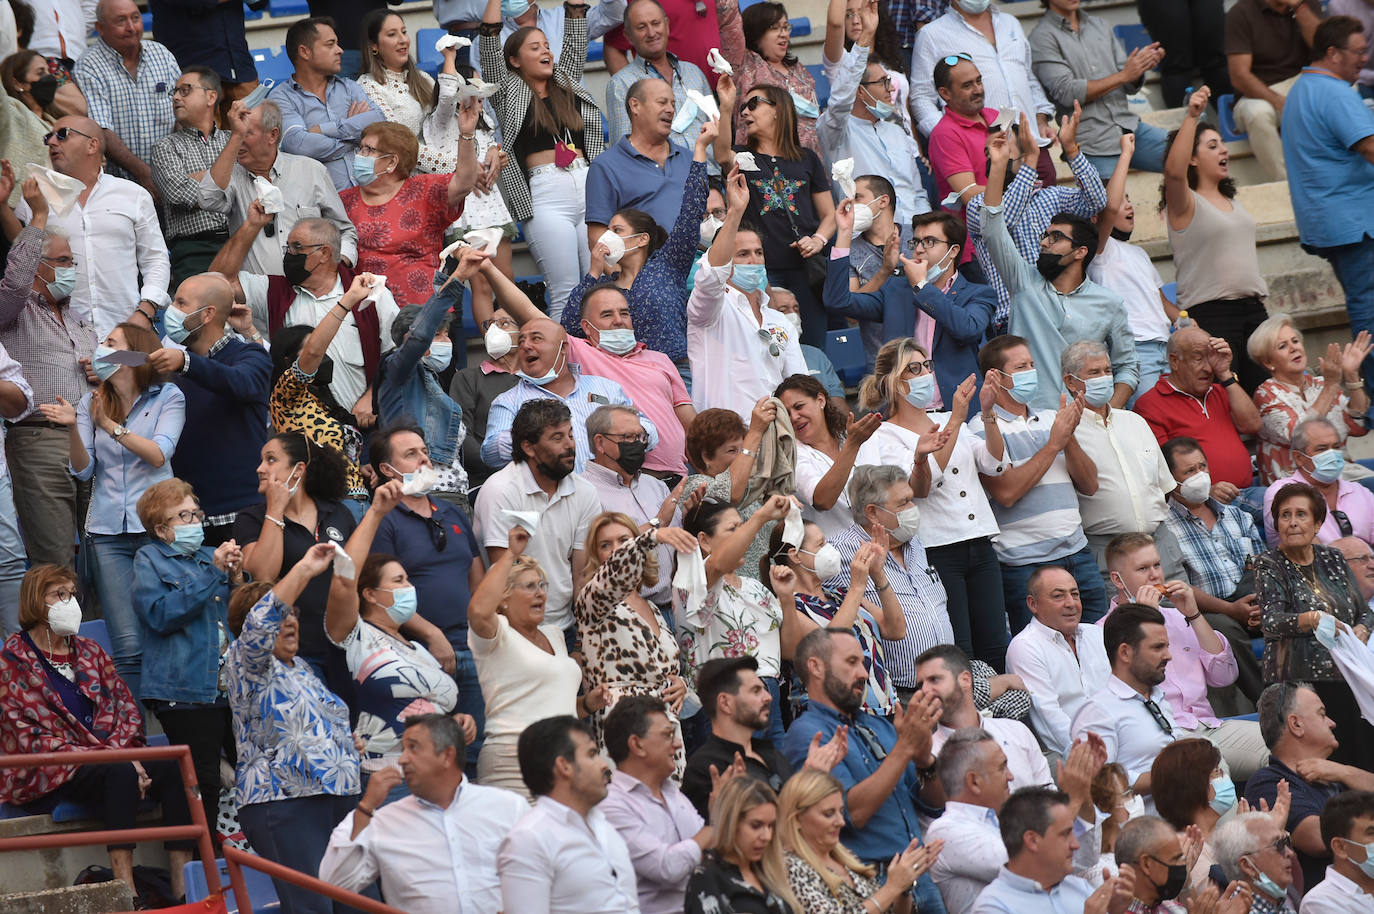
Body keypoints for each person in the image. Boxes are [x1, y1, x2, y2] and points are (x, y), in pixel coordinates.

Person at [0, 564, 195, 903]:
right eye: (59, 595)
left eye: (72, 594)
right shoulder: (13, 660)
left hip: (111, 760)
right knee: (118, 771)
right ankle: (126, 890)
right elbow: (27, 735)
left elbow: (125, 708)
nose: (69, 602)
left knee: (174, 767)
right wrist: (117, 759)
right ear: (36, 601)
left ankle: (183, 888)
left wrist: (127, 754)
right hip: (50, 769)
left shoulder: (90, 651)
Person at [41, 321, 183, 698]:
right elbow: (83, 469)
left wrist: (110, 426)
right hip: (108, 534)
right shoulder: (93, 401)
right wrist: (76, 426)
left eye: (111, 343)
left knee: (167, 628)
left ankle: (175, 724)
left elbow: (158, 455)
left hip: (159, 529)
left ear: (131, 355)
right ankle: (134, 740)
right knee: (127, 643)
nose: (102, 350)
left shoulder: (168, 396)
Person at [853, 341, 1008, 667]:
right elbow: (922, 486)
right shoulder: (883, 436)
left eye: (927, 365)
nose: (925, 373)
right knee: (959, 648)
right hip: (936, 548)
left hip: (979, 542)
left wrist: (989, 412)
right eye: (915, 368)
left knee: (995, 644)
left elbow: (994, 463)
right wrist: (956, 421)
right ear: (894, 382)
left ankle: (997, 717)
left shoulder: (950, 418)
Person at [226, 546, 362, 914]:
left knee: (361, 905)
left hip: (337, 800)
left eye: (294, 614)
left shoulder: (301, 667)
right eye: (281, 615)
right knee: (312, 907)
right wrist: (304, 568)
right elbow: (260, 624)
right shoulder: (245, 662)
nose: (290, 621)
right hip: (286, 803)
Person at [782, 627, 947, 914]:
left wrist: (924, 761)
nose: (863, 673)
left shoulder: (879, 725)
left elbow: (935, 805)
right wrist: (904, 749)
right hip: (868, 885)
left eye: (863, 663)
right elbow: (851, 814)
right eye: (851, 662)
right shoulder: (807, 733)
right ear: (816, 667)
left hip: (919, 878)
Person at [981, 131, 1138, 411]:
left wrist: (1108, 414)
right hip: (1035, 421)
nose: (1043, 242)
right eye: (1045, 235)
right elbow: (993, 230)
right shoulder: (1024, 282)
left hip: (1090, 424)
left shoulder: (1109, 303)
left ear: (1080, 252)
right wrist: (997, 167)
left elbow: (1127, 366)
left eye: (1055, 238)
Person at [325, 481, 472, 777]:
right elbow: (343, 579)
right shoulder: (355, 635)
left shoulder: (418, 649)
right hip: (389, 777)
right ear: (369, 593)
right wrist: (377, 512)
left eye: (407, 579)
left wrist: (458, 722)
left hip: (440, 776)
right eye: (398, 581)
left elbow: (427, 707)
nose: (409, 587)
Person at [318, 714, 528, 914]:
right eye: (403, 749)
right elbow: (335, 882)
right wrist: (365, 807)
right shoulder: (383, 820)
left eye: (413, 748)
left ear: (447, 755)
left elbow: (543, 870)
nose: (402, 760)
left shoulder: (507, 807)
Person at [132, 478, 242, 844]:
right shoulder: (149, 559)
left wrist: (238, 581)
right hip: (184, 692)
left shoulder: (209, 557)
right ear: (161, 529)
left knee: (254, 772)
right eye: (183, 516)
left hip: (231, 690)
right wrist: (214, 574)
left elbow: (244, 620)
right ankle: (207, 873)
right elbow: (160, 615)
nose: (195, 522)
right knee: (205, 781)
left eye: (196, 513)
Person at [1104, 533, 1267, 780]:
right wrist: (1142, 622)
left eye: (1157, 565)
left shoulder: (1179, 617)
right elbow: (1130, 690)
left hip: (1209, 725)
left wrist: (1193, 613)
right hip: (1163, 735)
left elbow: (1225, 676)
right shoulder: (1102, 632)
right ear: (1118, 579)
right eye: (1142, 568)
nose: (1154, 575)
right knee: (1214, 768)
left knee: (1284, 750)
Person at [210, 209, 398, 421]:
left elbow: (397, 354)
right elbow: (216, 282)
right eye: (288, 247)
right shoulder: (273, 290)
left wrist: (373, 395)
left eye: (296, 247)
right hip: (299, 434)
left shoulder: (369, 292)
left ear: (325, 253)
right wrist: (252, 225)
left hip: (360, 428)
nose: (288, 254)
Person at [480, 0, 604, 322]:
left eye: (547, 45)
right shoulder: (508, 90)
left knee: (598, 288)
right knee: (566, 290)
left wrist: (576, 6)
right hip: (547, 196)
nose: (545, 51)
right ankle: (563, 367)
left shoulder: (566, 82)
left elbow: (576, 41)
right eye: (534, 47)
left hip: (587, 186)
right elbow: (489, 45)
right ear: (515, 61)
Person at [972, 334, 1107, 630]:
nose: (1031, 372)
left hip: (1077, 554)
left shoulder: (1050, 418)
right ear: (996, 377)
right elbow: (1006, 492)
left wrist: (1067, 437)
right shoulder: (982, 428)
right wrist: (1052, 445)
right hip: (1025, 565)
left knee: (1099, 646)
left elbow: (1090, 485)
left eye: (1032, 364)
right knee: (1042, 657)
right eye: (1021, 367)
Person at [505, 276, 693, 480]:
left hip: (679, 476)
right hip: (632, 478)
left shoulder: (661, 359)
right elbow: (528, 313)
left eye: (624, 313)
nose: (618, 320)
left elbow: (689, 423)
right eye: (607, 314)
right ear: (586, 327)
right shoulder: (580, 352)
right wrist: (487, 268)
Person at [0, 173, 93, 569]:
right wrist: (37, 215)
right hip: (38, 439)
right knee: (55, 560)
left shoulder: (79, 319)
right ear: (39, 268)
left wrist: (107, 370)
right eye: (63, 261)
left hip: (89, 442)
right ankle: (55, 632)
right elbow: (16, 281)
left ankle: (95, 632)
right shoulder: (14, 311)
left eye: (73, 261)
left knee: (101, 553)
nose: (72, 268)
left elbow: (119, 363)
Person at [368, 424, 485, 742]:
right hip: (417, 655)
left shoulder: (453, 513)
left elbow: (478, 582)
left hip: (471, 651)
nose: (424, 460)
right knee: (432, 752)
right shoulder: (382, 521)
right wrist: (433, 635)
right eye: (411, 454)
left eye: (424, 452)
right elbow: (380, 596)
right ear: (387, 469)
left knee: (473, 751)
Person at [10, 115, 171, 340]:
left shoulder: (133, 194)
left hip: (127, 332)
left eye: (63, 134)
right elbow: (19, 261)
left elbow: (156, 259)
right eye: (49, 137)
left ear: (92, 144)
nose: (52, 142)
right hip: (61, 338)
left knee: (134, 372)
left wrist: (145, 312)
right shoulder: (36, 197)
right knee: (68, 377)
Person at [563, 135, 712, 378]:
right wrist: (593, 273)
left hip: (676, 372)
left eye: (617, 231)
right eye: (608, 230)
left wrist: (700, 150)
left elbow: (691, 211)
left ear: (642, 239)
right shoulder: (603, 287)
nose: (607, 237)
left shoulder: (667, 265)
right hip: (627, 376)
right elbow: (570, 327)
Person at [1282, 16, 1374, 395]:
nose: (1364, 60)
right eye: (1359, 51)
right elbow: (1370, 146)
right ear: (1333, 53)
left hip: (1334, 222)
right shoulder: (1335, 92)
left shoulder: (1302, 89)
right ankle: (1367, 399)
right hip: (1356, 221)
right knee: (1370, 311)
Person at [467, 525, 594, 796]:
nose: (540, 593)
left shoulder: (555, 634)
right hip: (513, 761)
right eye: (528, 586)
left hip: (564, 761)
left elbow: (553, 701)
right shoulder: (496, 634)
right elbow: (478, 610)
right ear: (502, 598)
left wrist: (589, 704)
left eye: (541, 585)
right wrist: (511, 553)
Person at [827, 206, 995, 409]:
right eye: (916, 242)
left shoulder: (978, 294)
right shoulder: (896, 289)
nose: (919, 249)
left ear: (954, 251)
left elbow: (967, 329)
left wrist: (922, 287)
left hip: (958, 413)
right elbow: (838, 300)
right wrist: (844, 234)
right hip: (905, 415)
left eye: (930, 242)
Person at [1256, 481, 1374, 771]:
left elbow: (1364, 612)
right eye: (1285, 515)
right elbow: (1271, 622)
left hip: (1346, 672)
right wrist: (1312, 618)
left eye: (1301, 514)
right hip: (1296, 680)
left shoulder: (1333, 558)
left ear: (1318, 523)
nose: (1292, 522)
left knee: (1362, 753)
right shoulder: (1269, 563)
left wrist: (1362, 629)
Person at [1160, 87, 1271, 394]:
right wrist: (1192, 116)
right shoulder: (1185, 203)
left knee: (1269, 400)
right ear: (1192, 159)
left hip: (1255, 311)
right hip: (1212, 317)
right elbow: (1172, 172)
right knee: (1227, 403)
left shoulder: (1232, 201)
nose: (1224, 150)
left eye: (1223, 143)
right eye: (1213, 145)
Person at [149, 273, 272, 546]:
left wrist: (186, 363)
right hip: (188, 521)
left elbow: (242, 382)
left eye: (181, 303)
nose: (171, 311)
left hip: (244, 515)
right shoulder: (175, 366)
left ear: (207, 315)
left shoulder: (249, 356)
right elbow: (135, 360)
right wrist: (107, 362)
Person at [928, 731, 1109, 913]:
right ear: (974, 781)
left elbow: (1084, 858)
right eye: (1002, 768)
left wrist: (1084, 791)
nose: (1010, 776)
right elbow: (1031, 859)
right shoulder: (945, 831)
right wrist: (1074, 798)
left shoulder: (1011, 816)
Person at [234, 432, 359, 691]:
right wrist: (275, 509)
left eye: (270, 460)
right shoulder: (252, 518)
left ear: (299, 469)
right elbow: (262, 576)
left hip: (346, 649)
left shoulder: (338, 512)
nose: (260, 468)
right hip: (293, 654)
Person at [715, 78, 836, 348]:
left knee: (813, 343)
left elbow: (829, 215)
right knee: (766, 344)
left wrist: (817, 240)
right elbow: (722, 153)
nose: (745, 112)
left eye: (754, 104)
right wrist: (726, 106)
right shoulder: (742, 157)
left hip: (806, 269)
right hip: (759, 269)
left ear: (778, 110)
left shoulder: (806, 159)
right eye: (743, 107)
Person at [963, 110, 1107, 334]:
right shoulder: (977, 205)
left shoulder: (1049, 196)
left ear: (1024, 152)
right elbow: (1003, 221)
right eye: (988, 151)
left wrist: (1071, 150)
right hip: (1015, 320)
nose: (993, 156)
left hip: (1063, 312)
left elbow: (1096, 201)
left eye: (1001, 147)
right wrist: (1030, 163)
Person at [472, 398, 602, 636]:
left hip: (567, 626)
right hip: (512, 628)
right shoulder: (501, 490)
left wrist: (582, 641)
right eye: (557, 438)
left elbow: (583, 574)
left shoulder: (585, 491)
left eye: (570, 435)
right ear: (529, 447)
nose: (570, 445)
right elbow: (505, 578)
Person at [687, 167, 807, 419]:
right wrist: (734, 212)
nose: (754, 260)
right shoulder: (711, 310)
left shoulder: (779, 320)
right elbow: (710, 278)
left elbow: (799, 385)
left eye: (758, 253)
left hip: (777, 435)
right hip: (727, 439)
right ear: (726, 260)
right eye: (743, 254)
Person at [577, 515, 694, 771]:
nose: (617, 549)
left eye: (623, 540)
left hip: (666, 728)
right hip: (622, 727)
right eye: (605, 545)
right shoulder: (592, 601)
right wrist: (651, 537)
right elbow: (614, 574)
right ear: (596, 556)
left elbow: (668, 667)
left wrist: (680, 684)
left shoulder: (652, 606)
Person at [828, 464, 955, 698]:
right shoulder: (841, 551)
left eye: (911, 500)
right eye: (903, 503)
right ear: (873, 512)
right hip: (901, 692)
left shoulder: (913, 541)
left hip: (948, 682)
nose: (913, 508)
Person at [1161, 436, 1267, 711]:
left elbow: (1263, 567)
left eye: (1202, 467)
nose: (1200, 476)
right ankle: (1266, 702)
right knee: (1224, 628)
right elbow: (1178, 586)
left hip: (1251, 597)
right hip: (1207, 610)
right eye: (1189, 471)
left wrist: (1259, 606)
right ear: (1169, 479)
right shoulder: (1163, 528)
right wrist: (1232, 610)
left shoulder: (1237, 516)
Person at [1062, 341, 1183, 578]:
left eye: (1107, 371)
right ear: (1071, 382)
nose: (1104, 378)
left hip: (1159, 545)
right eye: (1094, 372)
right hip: (1108, 551)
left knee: (1179, 613)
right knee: (1125, 615)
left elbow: (1164, 487)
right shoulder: (1065, 429)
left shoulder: (1135, 421)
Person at [197, 100, 359, 276]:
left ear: (273, 135)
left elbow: (344, 232)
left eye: (246, 133)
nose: (239, 141)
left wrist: (338, 266)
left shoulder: (311, 170)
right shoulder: (231, 176)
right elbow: (207, 199)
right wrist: (236, 136)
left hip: (311, 293)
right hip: (256, 295)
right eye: (236, 133)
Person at [678, 493, 793, 741]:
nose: (746, 538)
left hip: (769, 697)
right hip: (723, 702)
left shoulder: (755, 586)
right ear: (704, 541)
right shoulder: (691, 580)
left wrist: (787, 599)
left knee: (778, 777)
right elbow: (718, 564)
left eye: (743, 528)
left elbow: (790, 649)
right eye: (734, 529)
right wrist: (761, 516)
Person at [480, 316, 657, 473]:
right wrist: (537, 435)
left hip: (613, 496)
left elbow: (650, 432)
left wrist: (625, 434)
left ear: (563, 348)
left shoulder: (606, 388)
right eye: (521, 341)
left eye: (536, 339)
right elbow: (490, 454)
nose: (525, 346)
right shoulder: (508, 401)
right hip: (549, 501)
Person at [765, 518, 903, 718]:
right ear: (795, 556)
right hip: (834, 717)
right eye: (821, 544)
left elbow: (896, 629)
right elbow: (830, 647)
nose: (829, 549)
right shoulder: (787, 605)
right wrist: (857, 586)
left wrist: (877, 573)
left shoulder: (840, 594)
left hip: (883, 709)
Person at [500, 715, 640, 912]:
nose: (604, 765)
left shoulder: (604, 826)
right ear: (563, 766)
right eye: (592, 754)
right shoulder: (529, 838)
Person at [1247, 681, 1374, 893]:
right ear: (1296, 724)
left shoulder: (1336, 776)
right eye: (1322, 714)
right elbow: (1319, 838)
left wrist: (1344, 772)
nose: (1332, 723)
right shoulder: (1269, 783)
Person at [912, 0, 1056, 183]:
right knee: (997, 208)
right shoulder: (931, 34)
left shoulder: (1010, 22)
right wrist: (952, 138)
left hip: (1034, 144)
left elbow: (1027, 77)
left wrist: (1041, 119)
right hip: (986, 154)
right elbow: (921, 97)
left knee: (1049, 208)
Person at [372, 256, 475, 511]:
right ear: (410, 339)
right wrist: (456, 279)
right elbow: (421, 335)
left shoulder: (432, 379)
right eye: (439, 334)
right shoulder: (398, 371)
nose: (446, 340)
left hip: (455, 495)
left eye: (447, 334)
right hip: (426, 496)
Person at [339, 119, 478, 306]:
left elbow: (464, 182)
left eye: (369, 150)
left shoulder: (425, 189)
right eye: (361, 149)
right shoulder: (343, 201)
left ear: (391, 162)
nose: (360, 155)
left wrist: (467, 134)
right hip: (366, 311)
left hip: (420, 310)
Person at [815, 1, 929, 227]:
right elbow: (840, 98)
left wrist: (922, 229)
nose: (891, 89)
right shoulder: (836, 131)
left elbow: (917, 193)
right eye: (883, 83)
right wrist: (865, 36)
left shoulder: (896, 132)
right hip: (869, 237)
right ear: (860, 90)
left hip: (912, 234)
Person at [1072, 602, 1190, 812]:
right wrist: (1175, 775)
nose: (1168, 656)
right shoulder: (1097, 712)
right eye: (1157, 647)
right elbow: (1099, 783)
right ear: (1125, 653)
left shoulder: (1158, 698)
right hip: (1139, 835)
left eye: (1167, 646)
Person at [1029, 0, 1169, 178]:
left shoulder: (1100, 24)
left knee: (1190, 155)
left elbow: (1127, 85)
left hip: (1129, 127)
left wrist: (1139, 68)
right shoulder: (1040, 37)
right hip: (1090, 144)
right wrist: (1125, 75)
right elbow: (1066, 92)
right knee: (1111, 205)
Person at [600, 695, 710, 913]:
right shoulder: (612, 805)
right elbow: (667, 867)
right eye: (668, 735)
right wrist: (714, 827)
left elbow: (712, 855)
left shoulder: (673, 793)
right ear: (637, 745)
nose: (677, 743)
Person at [779, 767, 939, 914]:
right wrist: (892, 887)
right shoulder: (791, 867)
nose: (840, 821)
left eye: (841, 812)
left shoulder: (847, 860)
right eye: (828, 814)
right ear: (797, 818)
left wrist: (905, 885)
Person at [1135, 327, 1264, 496]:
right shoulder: (1151, 404)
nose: (1208, 369)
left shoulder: (1220, 390)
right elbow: (1160, 472)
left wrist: (1225, 374)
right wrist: (1205, 492)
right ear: (1174, 361)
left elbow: (1253, 425)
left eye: (1210, 359)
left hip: (1246, 491)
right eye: (1198, 358)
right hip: (1201, 502)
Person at [1248, 315, 1371, 487]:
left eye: (1295, 341)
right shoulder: (1266, 394)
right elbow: (1301, 436)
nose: (1293, 348)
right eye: (1283, 346)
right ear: (1269, 362)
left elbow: (1359, 426)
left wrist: (1351, 375)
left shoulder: (1320, 383)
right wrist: (1331, 385)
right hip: (1296, 487)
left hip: (1342, 474)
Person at [71, 0, 179, 189]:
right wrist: (143, 173)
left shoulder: (162, 54)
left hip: (173, 173)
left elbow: (183, 111)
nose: (131, 27)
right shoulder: (88, 66)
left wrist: (170, 168)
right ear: (100, 28)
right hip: (120, 183)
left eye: (136, 18)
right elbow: (101, 129)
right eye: (121, 21)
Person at [1005, 566, 1111, 758]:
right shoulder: (1025, 647)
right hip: (1075, 757)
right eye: (1058, 596)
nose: (1071, 603)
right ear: (1033, 604)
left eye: (1075, 594)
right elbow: (1050, 719)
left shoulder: (1096, 634)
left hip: (1122, 740)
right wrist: (1095, 756)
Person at [269, 16, 384, 193]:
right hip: (324, 208)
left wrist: (323, 130)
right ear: (305, 52)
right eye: (330, 44)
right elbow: (298, 144)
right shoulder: (281, 97)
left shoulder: (349, 87)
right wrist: (355, 139)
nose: (340, 50)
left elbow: (379, 121)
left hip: (370, 195)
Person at [966, 786, 1122, 914]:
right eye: (1065, 834)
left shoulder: (1079, 887)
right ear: (1032, 840)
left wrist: (1115, 910)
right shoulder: (993, 906)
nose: (1075, 844)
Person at [917, 645, 1051, 792]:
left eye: (934, 680)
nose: (924, 690)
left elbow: (1049, 795)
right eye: (920, 685)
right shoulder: (927, 756)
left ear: (965, 680)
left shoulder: (1016, 731)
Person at [1088, 178, 1173, 409]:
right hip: (1136, 350)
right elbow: (1110, 209)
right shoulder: (1100, 251)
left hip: (1166, 345)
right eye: (1121, 199)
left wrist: (1188, 321)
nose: (1128, 206)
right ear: (1095, 216)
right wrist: (1126, 152)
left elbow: (1161, 300)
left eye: (1130, 199)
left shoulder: (1139, 253)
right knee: (1150, 417)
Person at [585, 79, 700, 247]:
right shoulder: (606, 166)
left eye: (673, 104)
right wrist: (621, 274)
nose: (670, 110)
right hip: (644, 270)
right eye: (662, 102)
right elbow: (598, 237)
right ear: (635, 106)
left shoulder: (690, 159)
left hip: (698, 267)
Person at [356, 10, 468, 174]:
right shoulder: (367, 86)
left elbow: (453, 121)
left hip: (455, 169)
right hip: (412, 179)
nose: (403, 40)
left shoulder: (424, 78)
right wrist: (459, 166)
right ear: (374, 45)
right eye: (392, 34)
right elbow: (398, 143)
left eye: (404, 32)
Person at [682, 655, 795, 818]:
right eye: (756, 691)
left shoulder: (771, 753)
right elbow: (711, 839)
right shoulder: (706, 769)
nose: (768, 697)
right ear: (725, 703)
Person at [150, 67, 231, 289]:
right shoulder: (165, 147)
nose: (175, 97)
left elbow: (255, 184)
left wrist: (197, 178)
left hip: (241, 240)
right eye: (174, 92)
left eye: (185, 90)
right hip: (194, 250)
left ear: (211, 96)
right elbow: (178, 193)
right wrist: (228, 176)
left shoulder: (233, 140)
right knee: (201, 319)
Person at [1225, 0, 1322, 181]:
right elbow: (1239, 76)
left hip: (1302, 80)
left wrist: (1299, 7)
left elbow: (1324, 50)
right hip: (1257, 92)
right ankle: (1287, 184)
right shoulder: (1240, 12)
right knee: (1258, 114)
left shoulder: (1307, 4)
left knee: (1342, 88)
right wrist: (1277, 100)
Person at [604, 0, 715, 159]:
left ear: (667, 25)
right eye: (641, 27)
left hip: (710, 178)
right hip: (662, 180)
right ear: (628, 36)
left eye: (656, 23)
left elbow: (716, 135)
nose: (651, 33)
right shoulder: (621, 84)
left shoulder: (694, 73)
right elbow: (625, 154)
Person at [716, 0, 823, 162]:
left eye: (786, 27)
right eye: (775, 28)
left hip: (809, 163)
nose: (784, 34)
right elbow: (729, 20)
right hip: (763, 164)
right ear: (756, 31)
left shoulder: (799, 70)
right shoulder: (744, 63)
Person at [1150, 737, 1259, 888]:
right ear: (1195, 789)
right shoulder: (1190, 856)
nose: (1225, 778)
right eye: (1217, 773)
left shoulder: (1221, 838)